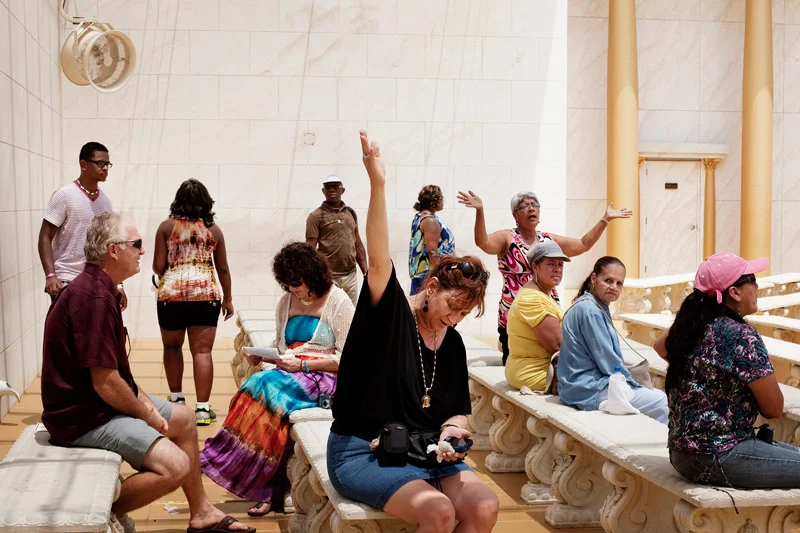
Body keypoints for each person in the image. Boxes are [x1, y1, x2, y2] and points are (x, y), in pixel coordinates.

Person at [326, 131, 499, 533]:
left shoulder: (451, 343)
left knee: (486, 505)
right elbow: (379, 255)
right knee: (437, 511)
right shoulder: (390, 317)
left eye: (465, 314)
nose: (454, 320)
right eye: (453, 308)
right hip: (361, 450)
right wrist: (378, 183)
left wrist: (455, 431)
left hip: (424, 451)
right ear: (432, 288)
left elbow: (456, 408)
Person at [40, 212, 253, 533]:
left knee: (183, 417)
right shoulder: (94, 298)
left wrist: (147, 405)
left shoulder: (102, 288)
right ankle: (94, 515)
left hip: (98, 402)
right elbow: (106, 382)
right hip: (82, 418)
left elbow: (115, 376)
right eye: (136, 244)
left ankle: (203, 512)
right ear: (113, 250)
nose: (142, 251)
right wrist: (147, 414)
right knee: (175, 466)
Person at [201, 242, 354, 518]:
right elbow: (281, 346)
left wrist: (305, 363)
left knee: (268, 393)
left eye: (296, 283)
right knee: (251, 389)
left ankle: (262, 484)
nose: (291, 289)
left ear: (312, 275)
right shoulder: (287, 302)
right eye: (286, 284)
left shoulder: (338, 302)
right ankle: (261, 481)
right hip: (291, 370)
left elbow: (348, 359)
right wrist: (264, 356)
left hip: (324, 377)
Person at [652, 252, 800, 489]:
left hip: (682, 454)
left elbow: (660, 347)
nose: (757, 285)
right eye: (751, 279)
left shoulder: (693, 325)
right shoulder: (740, 335)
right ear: (735, 291)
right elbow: (774, 409)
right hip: (719, 455)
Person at [457, 189, 632, 364]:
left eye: (535, 205)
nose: (531, 209)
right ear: (515, 215)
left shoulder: (548, 240)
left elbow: (583, 244)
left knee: (554, 359)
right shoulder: (507, 238)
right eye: (525, 206)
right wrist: (480, 211)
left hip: (546, 313)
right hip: (516, 315)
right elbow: (483, 242)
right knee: (519, 362)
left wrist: (605, 219)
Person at [152, 179, 234, 426]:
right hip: (205, 296)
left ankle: (177, 401)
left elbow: (157, 266)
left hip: (172, 297)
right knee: (202, 351)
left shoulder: (166, 227)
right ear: (205, 203)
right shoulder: (214, 230)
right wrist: (228, 299)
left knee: (172, 348)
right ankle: (202, 408)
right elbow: (223, 268)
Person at [558, 257, 668, 423]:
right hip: (587, 389)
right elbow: (608, 362)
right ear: (594, 279)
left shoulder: (594, 305)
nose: (614, 287)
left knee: (658, 396)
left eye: (619, 283)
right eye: (608, 280)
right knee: (662, 403)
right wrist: (634, 384)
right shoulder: (590, 310)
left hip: (581, 386)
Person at [38, 141, 127, 309]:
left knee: (94, 335)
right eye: (100, 163)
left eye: (108, 164)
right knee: (67, 335)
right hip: (66, 281)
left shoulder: (106, 202)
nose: (105, 168)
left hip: (97, 281)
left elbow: (111, 246)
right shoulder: (64, 196)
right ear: (83, 164)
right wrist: (50, 275)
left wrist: (119, 284)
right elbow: (45, 237)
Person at [505, 240, 567, 392]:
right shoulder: (533, 300)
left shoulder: (542, 294)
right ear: (535, 267)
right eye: (551, 264)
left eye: (560, 265)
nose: (557, 269)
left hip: (536, 369)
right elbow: (558, 346)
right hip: (536, 373)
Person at [306, 174, 368, 305]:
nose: (331, 190)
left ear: (342, 190)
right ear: (323, 191)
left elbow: (358, 244)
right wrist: (310, 273)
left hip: (350, 274)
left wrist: (366, 272)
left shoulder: (350, 213)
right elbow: (310, 247)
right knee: (330, 310)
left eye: (335, 187)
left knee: (351, 310)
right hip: (329, 275)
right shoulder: (315, 216)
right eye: (328, 187)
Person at [409, 184, 456, 295]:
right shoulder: (430, 221)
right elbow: (432, 251)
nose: (443, 201)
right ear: (433, 201)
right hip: (429, 275)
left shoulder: (419, 217)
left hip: (422, 274)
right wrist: (442, 275)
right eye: (441, 198)